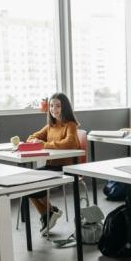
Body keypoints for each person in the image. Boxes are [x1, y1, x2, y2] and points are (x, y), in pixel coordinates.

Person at [24, 92, 81, 236]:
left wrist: (45, 144)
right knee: (25, 182)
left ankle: (49, 213)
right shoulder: (50, 126)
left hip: (67, 168)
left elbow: (70, 142)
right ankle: (47, 213)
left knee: (35, 183)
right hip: (52, 166)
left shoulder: (70, 125)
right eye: (51, 106)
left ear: (65, 107)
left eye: (57, 106)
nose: (53, 109)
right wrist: (34, 141)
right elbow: (32, 136)